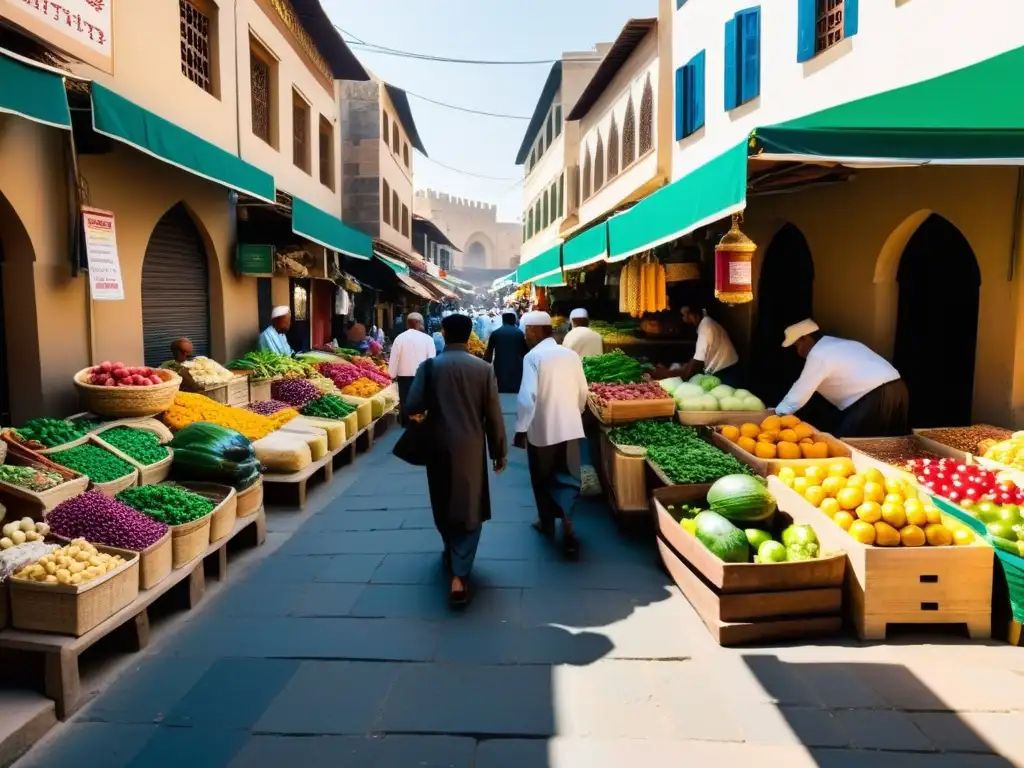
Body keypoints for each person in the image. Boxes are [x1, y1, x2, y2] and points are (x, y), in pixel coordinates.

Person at [405, 313, 507, 606]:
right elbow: (494, 415)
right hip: (472, 448)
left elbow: (412, 404)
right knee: (471, 505)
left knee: (442, 499)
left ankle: (452, 553)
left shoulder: (430, 367)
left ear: (445, 333)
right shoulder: (484, 369)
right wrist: (498, 451)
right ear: (468, 334)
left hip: (437, 446)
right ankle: (460, 574)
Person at [515, 310, 589, 558]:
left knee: (542, 476)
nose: (526, 336)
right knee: (568, 476)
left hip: (543, 429)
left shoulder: (533, 357)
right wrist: (574, 414)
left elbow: (527, 399)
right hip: (570, 428)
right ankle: (568, 522)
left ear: (537, 330)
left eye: (527, 331)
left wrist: (520, 429)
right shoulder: (570, 355)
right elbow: (583, 392)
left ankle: (546, 521)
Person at [777, 319, 910, 437]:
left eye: (797, 345)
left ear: (806, 338)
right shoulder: (843, 344)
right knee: (892, 444)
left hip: (874, 397)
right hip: (897, 388)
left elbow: (802, 390)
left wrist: (778, 415)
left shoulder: (819, 354)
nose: (798, 351)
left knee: (849, 446)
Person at [388, 312, 436, 425]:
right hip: (422, 376)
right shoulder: (428, 339)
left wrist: (391, 375)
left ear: (407, 323)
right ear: (419, 323)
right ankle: (421, 423)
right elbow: (432, 360)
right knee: (422, 400)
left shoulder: (400, 338)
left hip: (404, 377)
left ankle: (406, 422)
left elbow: (394, 359)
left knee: (405, 399)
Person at [485, 309, 529, 393]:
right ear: (514, 320)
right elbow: (525, 352)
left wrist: (485, 370)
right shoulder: (519, 333)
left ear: (503, 320)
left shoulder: (495, 333)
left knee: (500, 389)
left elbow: (488, 354)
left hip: (500, 366)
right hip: (517, 366)